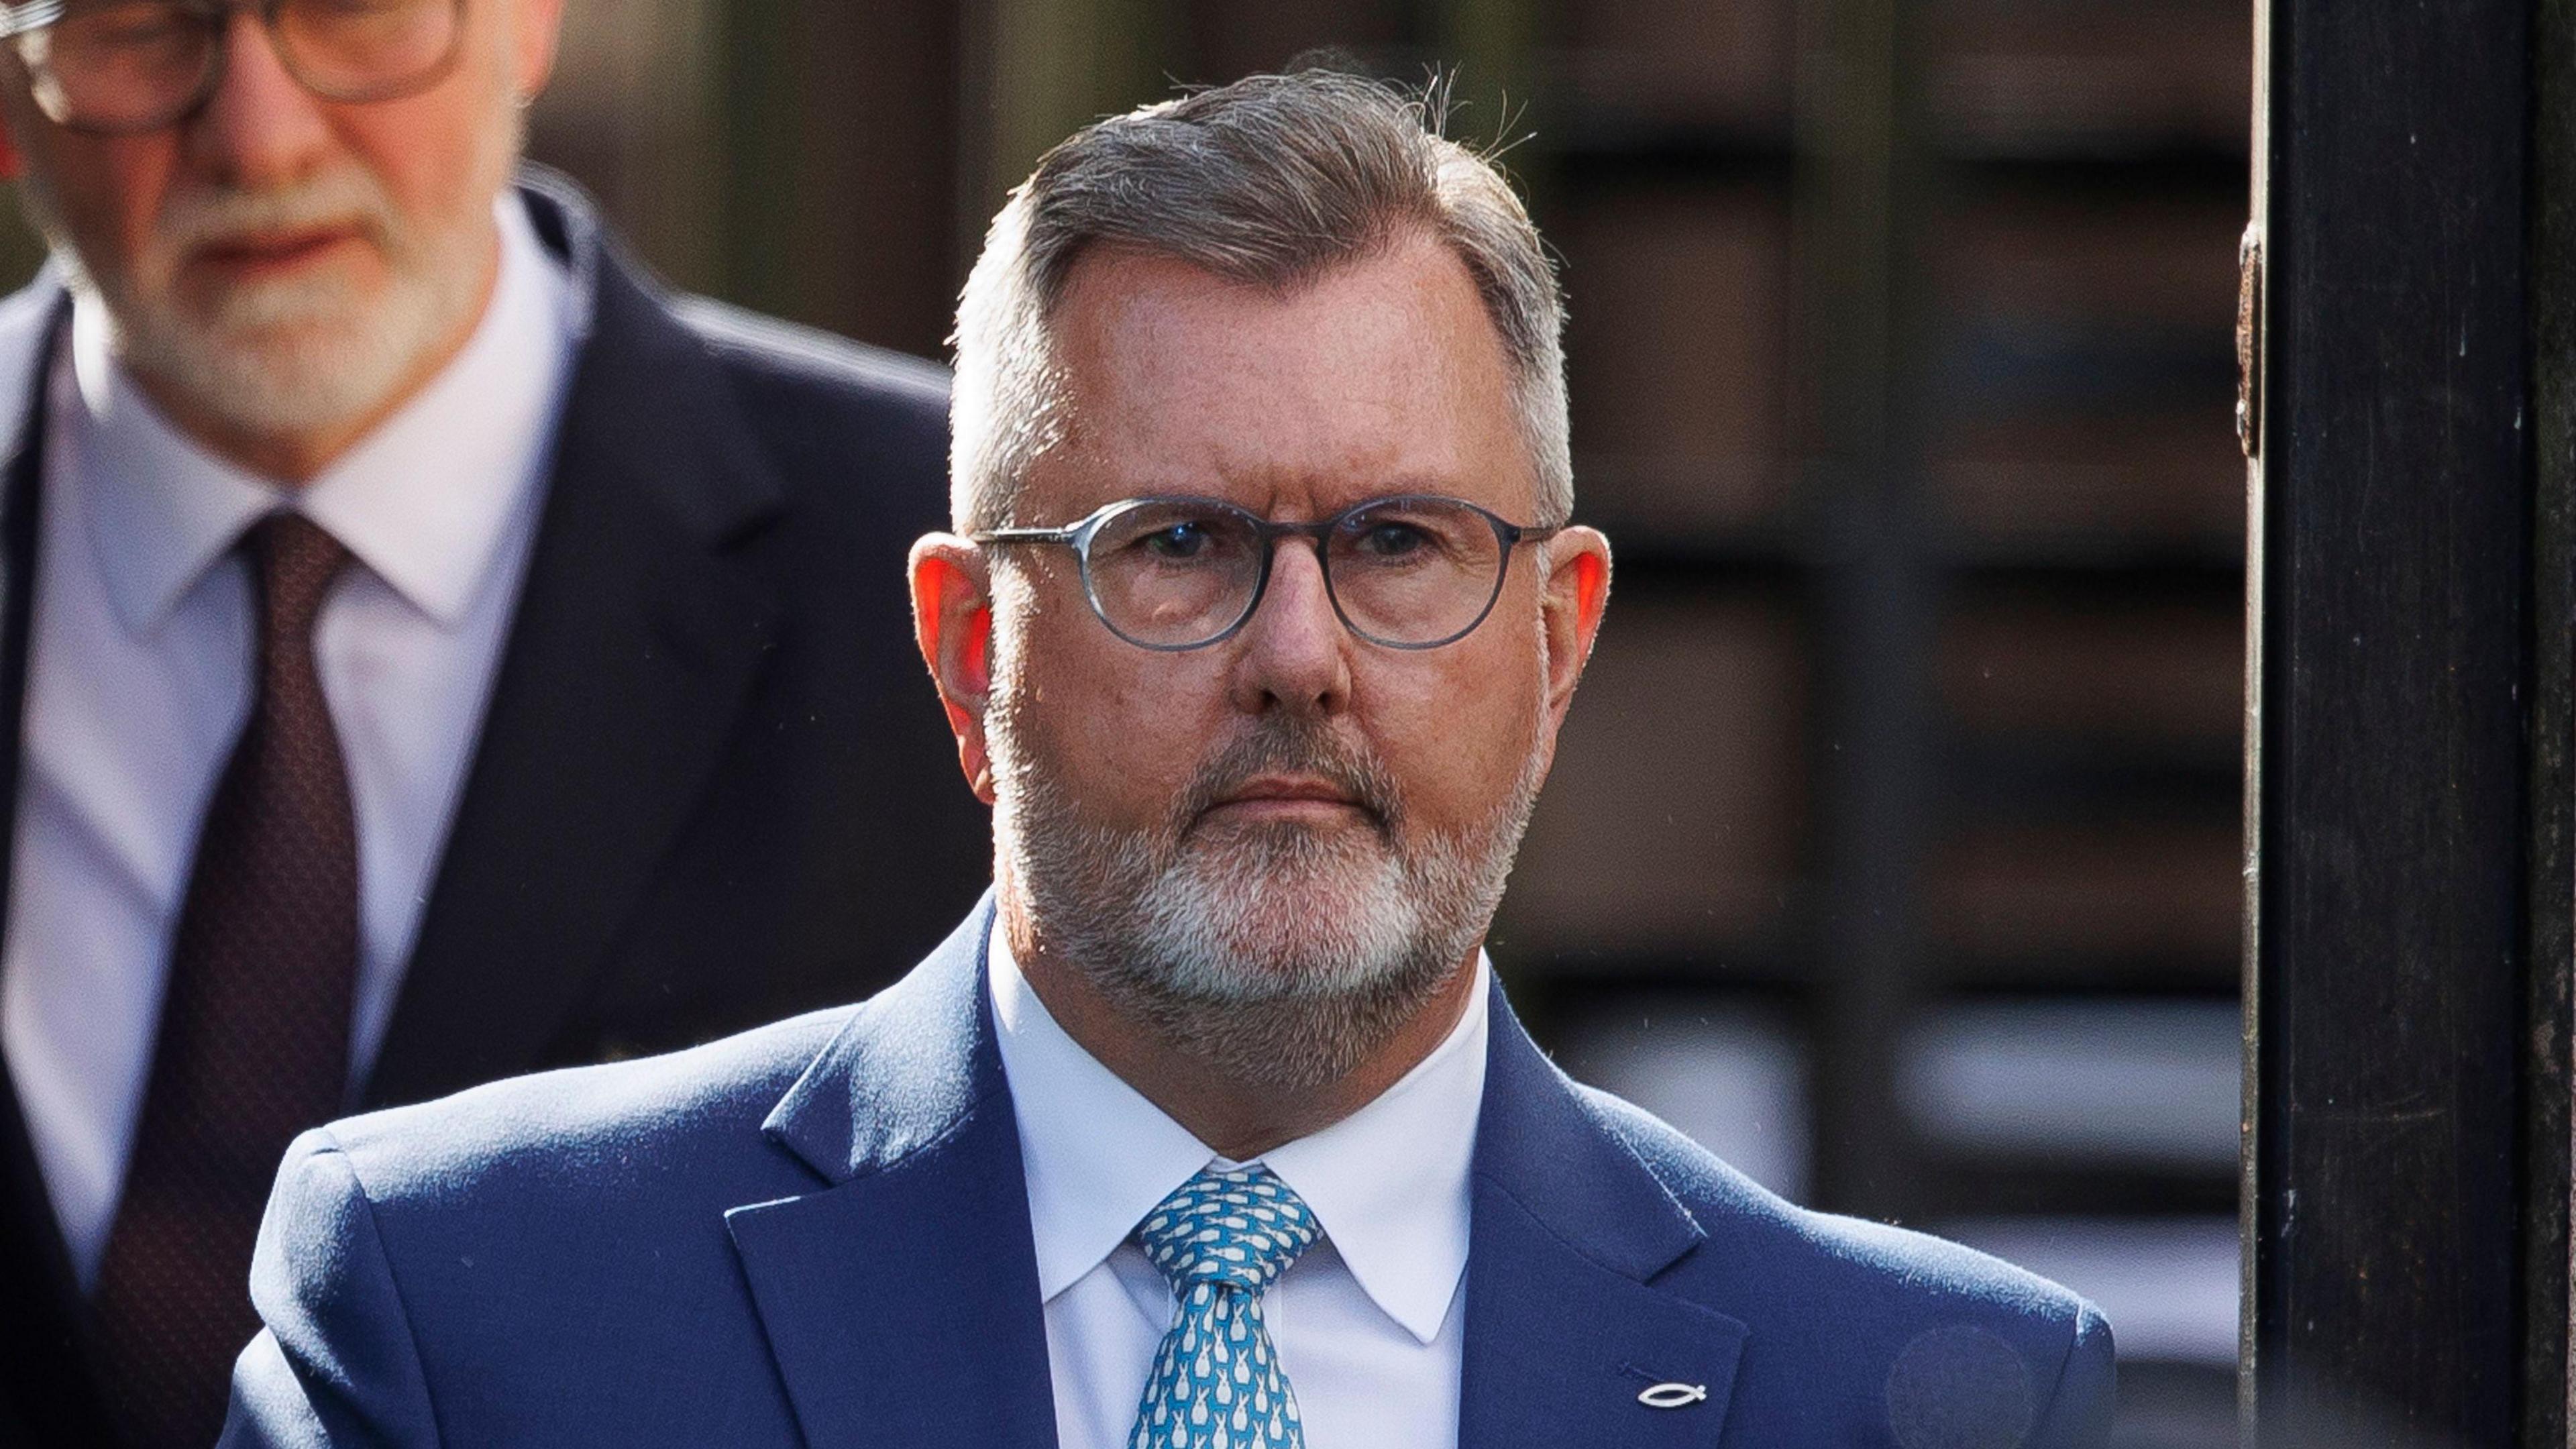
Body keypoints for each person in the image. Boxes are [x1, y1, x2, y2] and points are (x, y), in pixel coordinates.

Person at [219, 70, 2116, 1449]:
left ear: (1556, 642)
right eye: (1177, 547)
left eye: (1397, 545)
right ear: (968, 652)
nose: (1298, 658)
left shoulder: (1923, 1399)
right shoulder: (467, 1317)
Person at [0, 0, 987, 1444]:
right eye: (143, 28)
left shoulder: (961, 584)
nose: (261, 136)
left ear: (528, 21)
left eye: (347, 12)